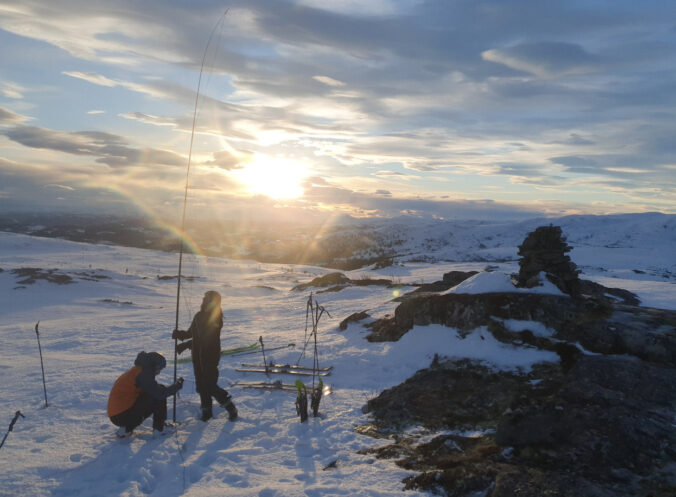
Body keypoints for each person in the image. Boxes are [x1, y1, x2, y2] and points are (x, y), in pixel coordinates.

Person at [173, 291, 238, 422]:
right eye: (204, 298)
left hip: (210, 357)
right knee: (201, 387)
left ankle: (230, 407)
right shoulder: (198, 316)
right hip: (197, 357)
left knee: (210, 386)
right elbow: (191, 333)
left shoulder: (216, 318)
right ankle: (206, 412)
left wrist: (186, 344)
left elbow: (205, 337)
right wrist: (179, 335)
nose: (203, 300)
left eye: (206, 299)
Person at [107, 351, 183, 436]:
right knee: (158, 395)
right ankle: (159, 429)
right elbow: (159, 393)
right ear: (154, 366)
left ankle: (126, 429)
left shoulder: (139, 369)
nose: (159, 372)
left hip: (117, 414)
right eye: (160, 369)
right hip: (122, 414)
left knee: (155, 391)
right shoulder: (144, 373)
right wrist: (176, 386)